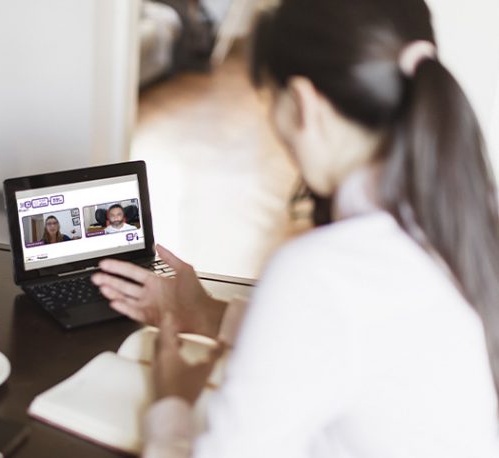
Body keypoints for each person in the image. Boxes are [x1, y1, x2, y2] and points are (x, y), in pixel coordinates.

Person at [91, 0, 499, 456]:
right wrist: (203, 313)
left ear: (302, 103)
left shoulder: (321, 272)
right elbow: (354, 340)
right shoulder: (460, 224)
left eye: (270, 100)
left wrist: (170, 402)